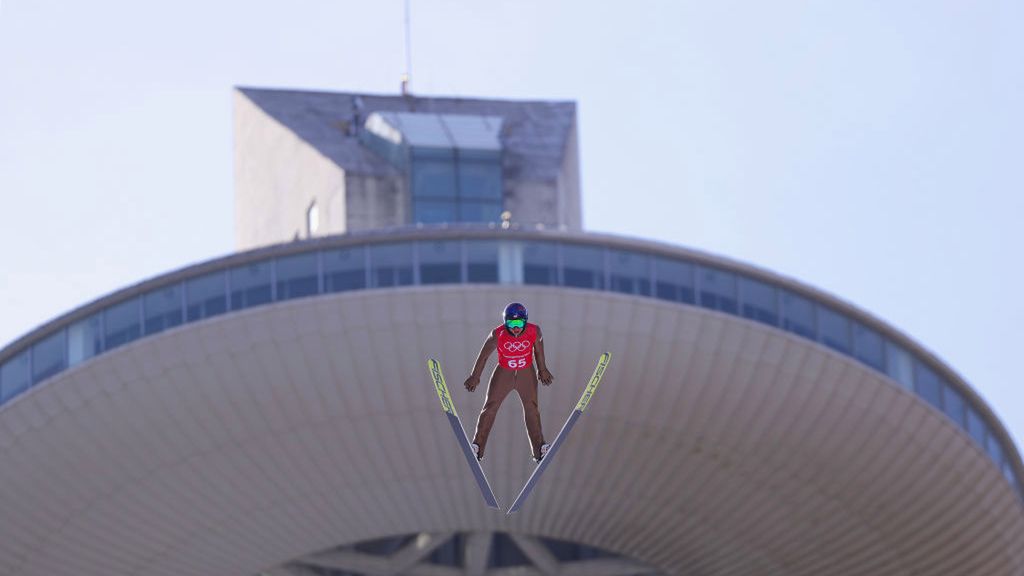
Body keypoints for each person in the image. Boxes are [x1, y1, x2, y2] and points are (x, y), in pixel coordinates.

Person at [464, 302, 554, 462]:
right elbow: (483, 356)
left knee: (532, 408)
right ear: (505, 323)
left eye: (519, 323)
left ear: (525, 321)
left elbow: (538, 351)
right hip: (504, 371)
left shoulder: (534, 331)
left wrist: (542, 369)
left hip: (526, 371)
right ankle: (477, 447)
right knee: (490, 406)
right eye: (511, 324)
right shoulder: (497, 334)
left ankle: (539, 449)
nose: (516, 328)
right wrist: (475, 376)